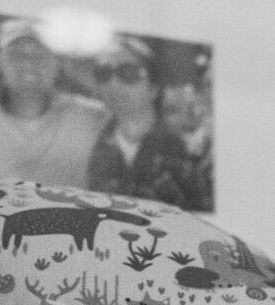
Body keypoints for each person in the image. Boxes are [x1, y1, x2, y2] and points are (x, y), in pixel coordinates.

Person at [83, 37, 212, 210]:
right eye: (103, 73)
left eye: (128, 73)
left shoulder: (192, 151)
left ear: (154, 88)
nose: (113, 83)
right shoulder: (90, 146)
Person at [0, 17, 103, 185]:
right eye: (17, 54)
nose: (29, 63)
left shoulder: (89, 116)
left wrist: (94, 80)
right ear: (0, 61)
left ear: (58, 63)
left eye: (41, 54)